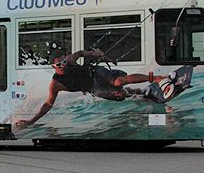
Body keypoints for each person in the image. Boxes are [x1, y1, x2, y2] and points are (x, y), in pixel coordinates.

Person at [15, 49, 155, 129]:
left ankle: (156, 78)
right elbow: (48, 104)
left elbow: (81, 53)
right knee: (119, 94)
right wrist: (30, 121)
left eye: (63, 62)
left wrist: (93, 54)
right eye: (59, 65)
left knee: (118, 81)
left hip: (95, 72)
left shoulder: (70, 60)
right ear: (53, 66)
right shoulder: (56, 84)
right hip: (93, 88)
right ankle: (139, 92)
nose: (63, 65)